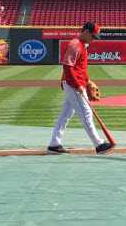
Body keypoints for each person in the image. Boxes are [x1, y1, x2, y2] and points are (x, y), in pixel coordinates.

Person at [48, 22, 114, 155]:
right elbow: (67, 66)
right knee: (86, 113)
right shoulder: (75, 45)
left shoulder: (82, 45)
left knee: (65, 114)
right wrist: (77, 85)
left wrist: (88, 82)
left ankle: (54, 144)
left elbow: (80, 68)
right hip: (74, 85)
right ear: (86, 32)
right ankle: (99, 144)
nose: (94, 39)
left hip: (74, 83)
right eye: (93, 36)